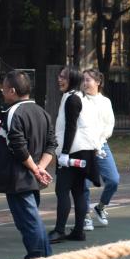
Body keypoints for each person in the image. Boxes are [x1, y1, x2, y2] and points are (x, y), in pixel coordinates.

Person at [0, 70, 56, 259]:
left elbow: (18, 147)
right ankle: (43, 256)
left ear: (12, 90)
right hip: (31, 177)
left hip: (18, 178)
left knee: (28, 220)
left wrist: (35, 169)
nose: (2, 91)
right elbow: (51, 144)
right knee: (31, 218)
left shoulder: (13, 113)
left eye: (3, 88)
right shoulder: (42, 112)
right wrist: (40, 167)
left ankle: (38, 257)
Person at [51, 66, 101, 243]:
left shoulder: (72, 99)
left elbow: (71, 127)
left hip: (74, 150)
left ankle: (59, 230)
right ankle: (78, 231)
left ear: (72, 79)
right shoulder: (81, 97)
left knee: (62, 189)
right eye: (59, 76)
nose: (60, 79)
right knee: (78, 190)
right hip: (84, 150)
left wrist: (65, 153)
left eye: (63, 77)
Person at [81, 69, 120, 230]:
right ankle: (85, 215)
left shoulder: (105, 102)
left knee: (113, 180)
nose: (85, 83)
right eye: (83, 80)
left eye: (88, 80)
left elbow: (109, 125)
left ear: (98, 82)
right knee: (83, 183)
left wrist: (98, 143)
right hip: (83, 147)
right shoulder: (79, 99)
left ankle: (101, 207)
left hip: (101, 146)